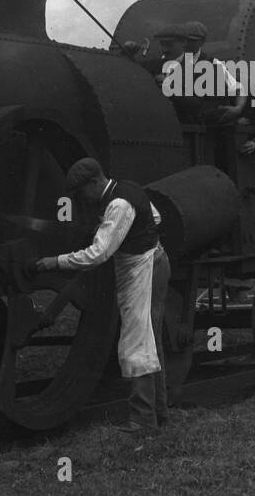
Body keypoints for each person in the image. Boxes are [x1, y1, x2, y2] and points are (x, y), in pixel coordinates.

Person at [35, 158, 170, 435]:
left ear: (95, 182)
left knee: (136, 340)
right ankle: (159, 411)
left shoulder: (118, 204)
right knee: (150, 337)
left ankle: (143, 420)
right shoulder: (128, 188)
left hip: (141, 266)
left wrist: (55, 262)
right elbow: (155, 218)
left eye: (82, 192)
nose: (81, 199)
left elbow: (99, 254)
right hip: (155, 258)